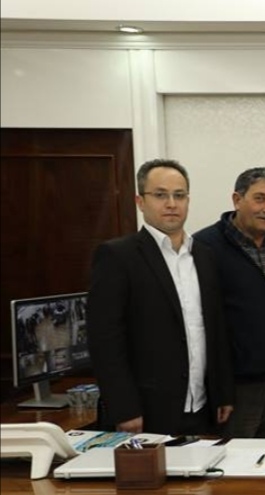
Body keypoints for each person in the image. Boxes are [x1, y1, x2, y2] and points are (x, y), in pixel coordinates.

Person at [88, 158, 234, 435]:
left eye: (179, 195)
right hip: (146, 411)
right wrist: (124, 409)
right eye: (160, 195)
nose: (171, 204)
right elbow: (105, 342)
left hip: (203, 406)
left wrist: (223, 391)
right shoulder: (117, 256)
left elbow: (216, 328)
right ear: (140, 202)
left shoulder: (204, 255)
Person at [194, 167, 265, 438]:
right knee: (236, 461)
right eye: (260, 199)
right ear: (237, 199)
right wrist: (220, 389)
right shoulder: (204, 247)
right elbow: (202, 324)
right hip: (237, 388)